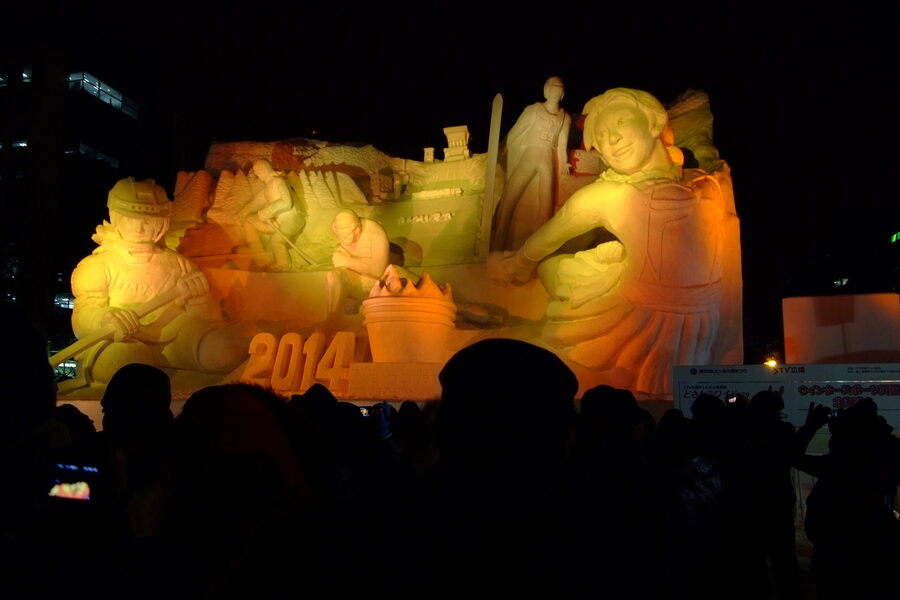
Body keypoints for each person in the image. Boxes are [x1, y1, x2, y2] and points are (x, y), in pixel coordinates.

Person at [490, 87, 728, 397]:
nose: (611, 139)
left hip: (639, 321)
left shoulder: (616, 196)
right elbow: (549, 235)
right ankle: (609, 266)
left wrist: (517, 263)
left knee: (551, 268)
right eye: (601, 138)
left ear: (655, 122)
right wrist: (519, 263)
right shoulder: (706, 188)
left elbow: (543, 243)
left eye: (620, 122)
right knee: (559, 265)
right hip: (699, 324)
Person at [68, 177, 248, 386]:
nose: (141, 227)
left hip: (175, 339)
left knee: (224, 351)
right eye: (132, 218)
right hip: (119, 340)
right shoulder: (97, 265)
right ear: (116, 216)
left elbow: (206, 320)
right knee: (128, 364)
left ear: (163, 221)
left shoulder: (181, 265)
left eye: (149, 219)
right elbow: (82, 316)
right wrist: (106, 317)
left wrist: (200, 300)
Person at [491, 76, 571, 251]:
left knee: (546, 204)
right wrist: (502, 151)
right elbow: (515, 132)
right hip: (530, 155)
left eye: (559, 89)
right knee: (510, 197)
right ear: (546, 90)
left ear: (563, 93)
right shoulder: (534, 110)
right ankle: (498, 241)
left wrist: (564, 162)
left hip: (547, 159)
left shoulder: (564, 117)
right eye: (552, 88)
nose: (555, 92)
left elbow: (562, 143)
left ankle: (537, 248)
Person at [238, 158, 305, 270]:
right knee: (249, 220)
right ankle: (258, 252)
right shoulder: (268, 186)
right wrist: (241, 214)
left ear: (264, 169)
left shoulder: (278, 181)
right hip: (277, 222)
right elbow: (255, 203)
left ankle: (283, 264)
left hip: (289, 221)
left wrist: (267, 212)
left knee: (276, 240)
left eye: (257, 171)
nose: (256, 174)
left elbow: (287, 202)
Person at [328, 208, 390, 311]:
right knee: (332, 276)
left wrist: (347, 261)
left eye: (347, 234)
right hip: (355, 278)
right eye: (340, 235)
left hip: (377, 282)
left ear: (357, 229)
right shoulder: (336, 229)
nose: (343, 239)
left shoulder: (375, 233)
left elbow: (379, 270)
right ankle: (333, 319)